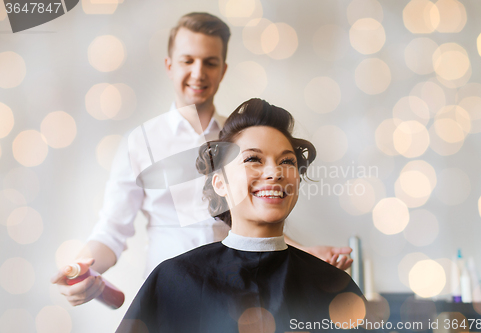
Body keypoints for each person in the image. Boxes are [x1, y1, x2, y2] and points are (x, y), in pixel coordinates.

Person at [51, 12, 352, 307]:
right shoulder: (140, 143)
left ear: (223, 70)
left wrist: (304, 253)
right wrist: (83, 269)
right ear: (169, 65)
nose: (198, 73)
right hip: (172, 293)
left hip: (238, 290)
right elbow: (112, 231)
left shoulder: (245, 141)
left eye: (210, 62)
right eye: (188, 60)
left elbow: (256, 221)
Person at [115, 99, 381, 333]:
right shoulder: (174, 280)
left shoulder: (335, 285)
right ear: (220, 182)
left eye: (287, 162)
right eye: (253, 159)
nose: (274, 172)